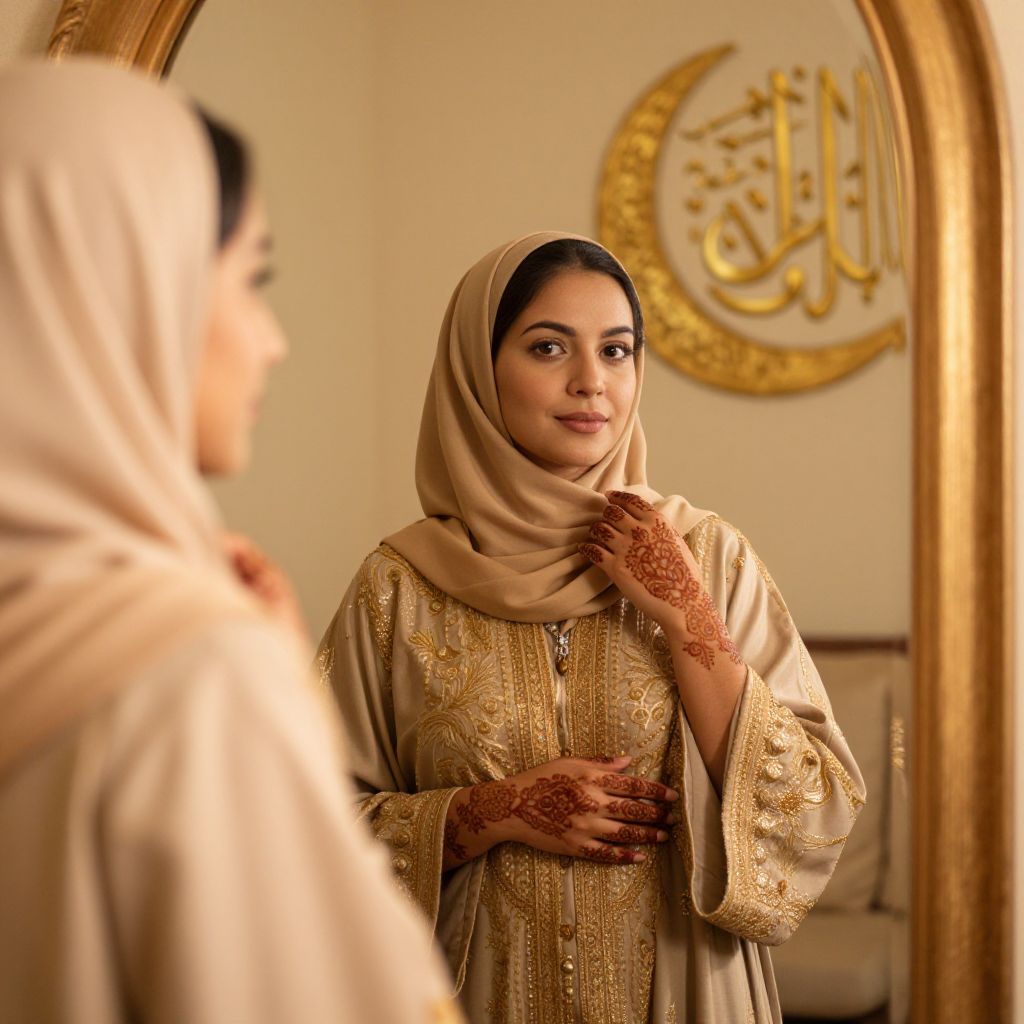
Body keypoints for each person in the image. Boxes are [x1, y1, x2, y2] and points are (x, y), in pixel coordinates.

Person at [0, 59, 462, 1024]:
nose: (272, 339)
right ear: (120, 290)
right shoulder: (187, 676)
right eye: (251, 279)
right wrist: (271, 697)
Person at [318, 232, 866, 1023]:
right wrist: (491, 810)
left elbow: (816, 810)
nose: (591, 383)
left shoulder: (709, 558)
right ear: (477, 369)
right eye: (549, 348)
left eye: (617, 351)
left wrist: (685, 615)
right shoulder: (399, 587)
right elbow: (305, 831)